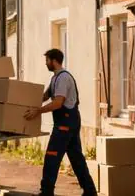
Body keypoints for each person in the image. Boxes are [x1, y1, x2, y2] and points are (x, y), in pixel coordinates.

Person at [24, 49, 96, 196]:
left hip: (66, 122)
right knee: (76, 158)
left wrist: (37, 111)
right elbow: (45, 96)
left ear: (54, 61)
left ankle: (46, 191)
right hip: (69, 121)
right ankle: (90, 191)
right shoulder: (55, 78)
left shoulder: (63, 78)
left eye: (47, 60)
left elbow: (57, 103)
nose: (46, 63)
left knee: (52, 155)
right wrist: (23, 102)